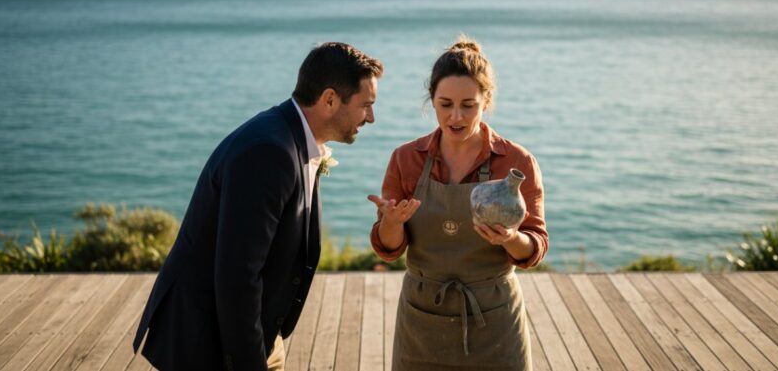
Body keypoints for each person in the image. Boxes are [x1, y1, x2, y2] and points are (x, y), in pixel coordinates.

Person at [134, 43, 383, 371]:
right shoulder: (270, 152)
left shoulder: (294, 138)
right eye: (366, 105)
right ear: (330, 99)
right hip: (209, 344)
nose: (371, 118)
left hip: (254, 334)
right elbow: (238, 276)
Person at [368, 38, 547, 371]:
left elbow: (534, 249)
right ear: (431, 100)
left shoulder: (515, 161)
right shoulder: (406, 159)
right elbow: (389, 250)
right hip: (422, 319)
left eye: (469, 105)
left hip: (494, 321)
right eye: (445, 103)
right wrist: (390, 223)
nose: (455, 116)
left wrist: (510, 239)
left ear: (487, 100)